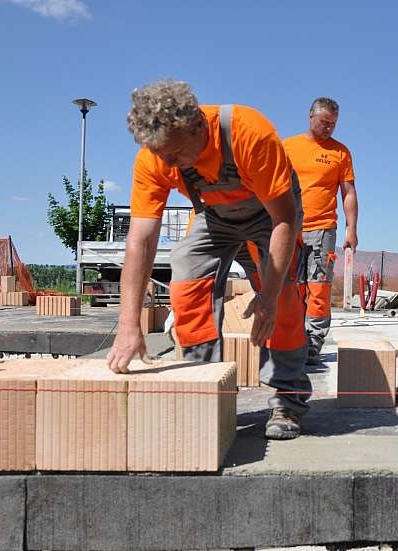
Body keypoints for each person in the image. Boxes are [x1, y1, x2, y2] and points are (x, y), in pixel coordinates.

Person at [106, 79, 310, 440]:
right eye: (161, 155)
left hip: (271, 214)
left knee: (283, 299)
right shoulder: (155, 157)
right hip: (215, 216)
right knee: (187, 278)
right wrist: (128, 325)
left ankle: (287, 399)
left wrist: (268, 296)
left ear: (198, 125)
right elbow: (141, 241)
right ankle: (203, 385)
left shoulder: (249, 133)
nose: (168, 163)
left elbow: (284, 219)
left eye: (175, 153)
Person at [283, 97, 357, 364]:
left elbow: (348, 193)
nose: (329, 128)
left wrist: (351, 229)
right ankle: (291, 341)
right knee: (291, 289)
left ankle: (313, 345)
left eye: (333, 124)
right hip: (288, 229)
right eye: (325, 122)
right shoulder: (288, 147)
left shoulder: (340, 152)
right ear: (311, 116)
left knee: (319, 289)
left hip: (323, 229)